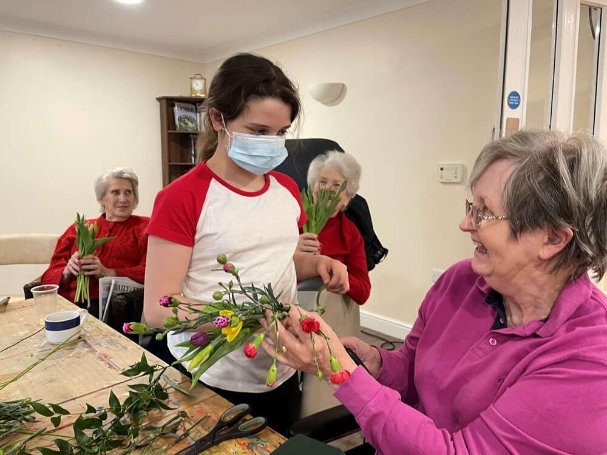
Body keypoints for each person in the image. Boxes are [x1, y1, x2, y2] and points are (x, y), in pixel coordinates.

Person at [270, 130, 607, 453]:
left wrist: (340, 372)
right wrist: (377, 364)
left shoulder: (589, 360)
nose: (466, 224)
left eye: (485, 211)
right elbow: (413, 368)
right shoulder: (460, 281)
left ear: (552, 239)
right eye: (470, 206)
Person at [143, 52, 349, 436]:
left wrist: (317, 266)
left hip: (280, 368)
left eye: (280, 132)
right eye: (258, 132)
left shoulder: (287, 190)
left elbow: (275, 263)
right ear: (218, 119)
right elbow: (158, 309)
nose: (272, 145)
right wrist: (245, 316)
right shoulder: (182, 197)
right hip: (207, 372)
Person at [41, 167, 148, 316]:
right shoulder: (79, 228)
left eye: (128, 192)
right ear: (101, 198)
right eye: (115, 192)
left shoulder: (144, 228)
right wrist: (67, 271)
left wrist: (109, 272)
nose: (123, 199)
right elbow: (48, 277)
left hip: (112, 308)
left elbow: (151, 272)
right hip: (68, 303)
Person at [297, 151, 370, 305]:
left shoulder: (350, 234)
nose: (328, 189)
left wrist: (334, 271)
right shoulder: (292, 217)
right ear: (312, 187)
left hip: (325, 309)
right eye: (323, 181)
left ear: (348, 198)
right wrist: (294, 250)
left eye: (337, 185)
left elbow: (363, 291)